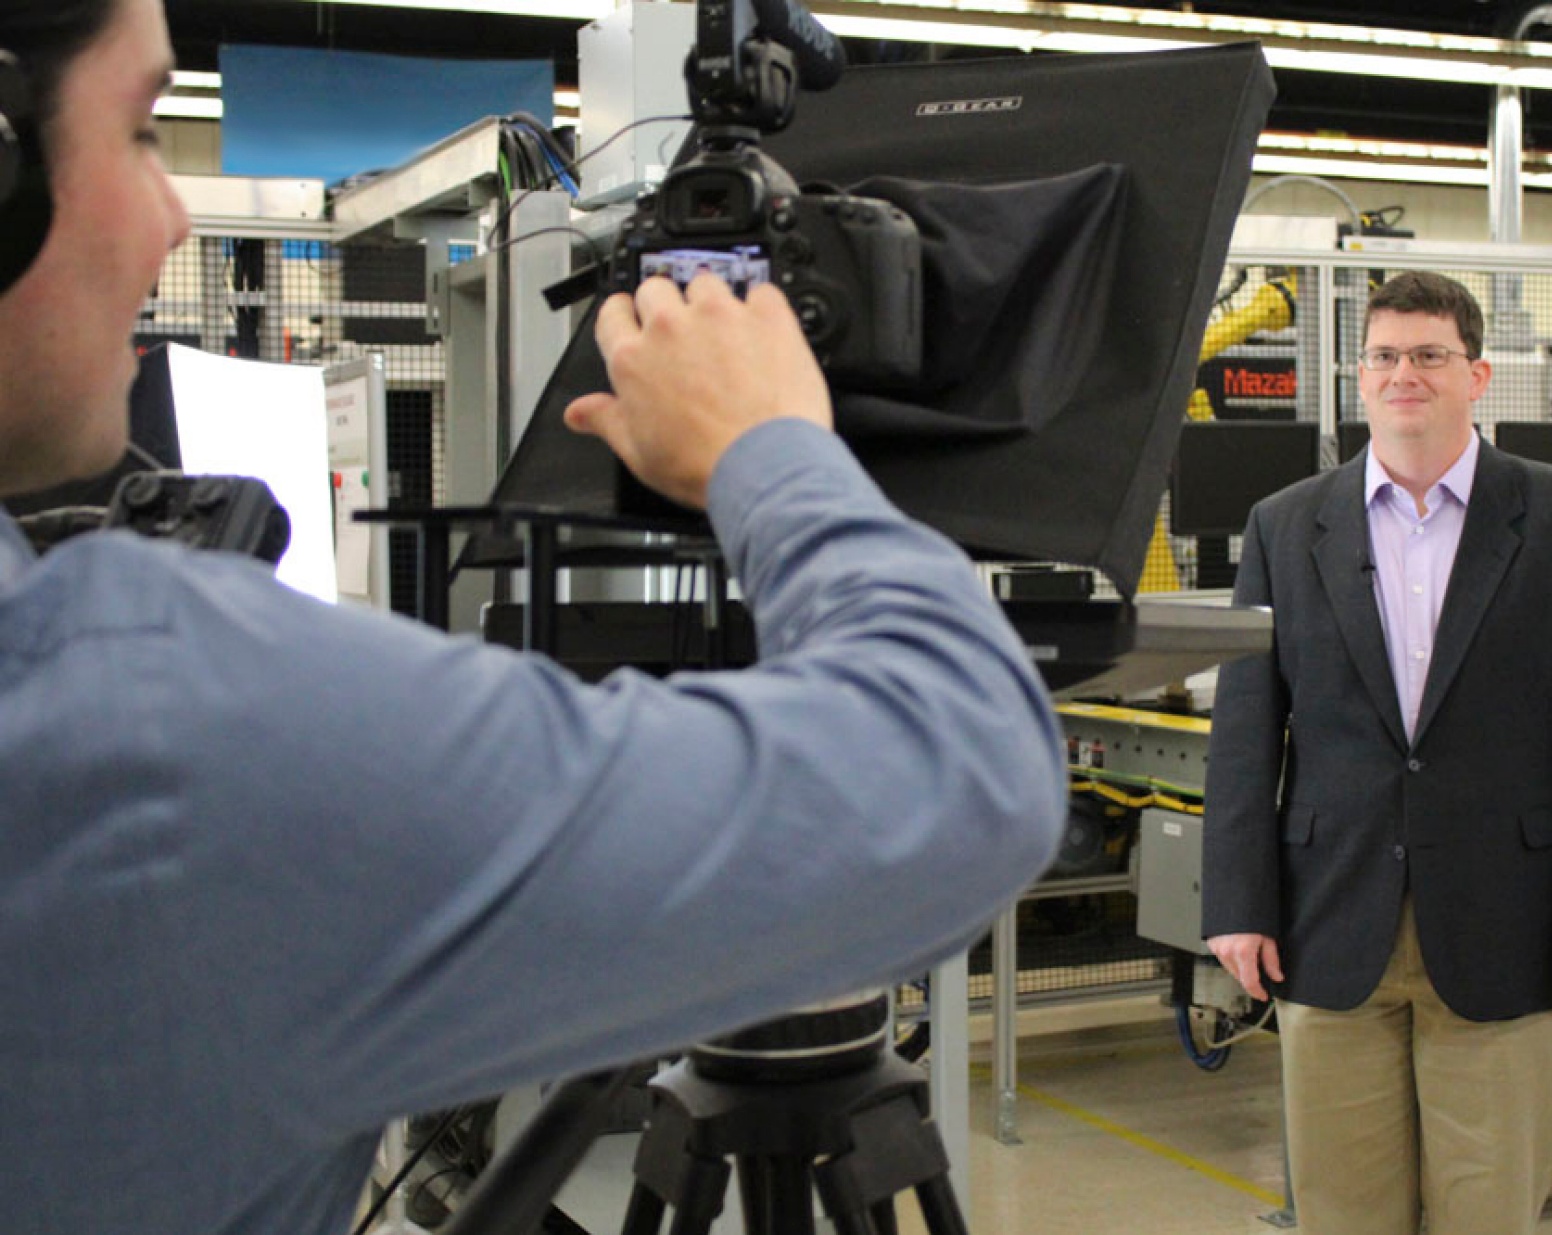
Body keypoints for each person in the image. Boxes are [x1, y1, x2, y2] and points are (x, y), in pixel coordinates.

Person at [0, 1, 1068, 1230]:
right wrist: (770, 446)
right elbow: (965, 767)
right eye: (142, 129)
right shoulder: (151, 725)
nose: (173, 216)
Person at [1202, 271, 1552, 1235]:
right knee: (1342, 1209)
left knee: (1488, 1206)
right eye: (1384, 355)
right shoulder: (1284, 525)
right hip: (1329, 918)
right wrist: (1237, 902)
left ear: (1477, 374)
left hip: (1511, 923)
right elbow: (1244, 731)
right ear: (1361, 377)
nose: (1404, 372)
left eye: (1429, 354)